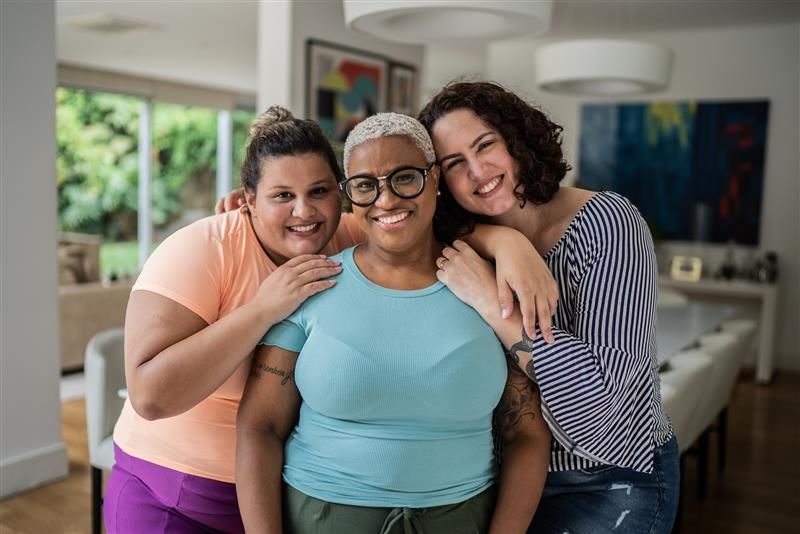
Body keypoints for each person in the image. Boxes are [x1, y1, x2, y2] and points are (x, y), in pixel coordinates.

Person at [236, 113, 551, 533]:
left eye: (405, 178)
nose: (385, 201)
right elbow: (260, 427)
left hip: (460, 519)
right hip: (321, 517)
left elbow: (527, 435)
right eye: (366, 186)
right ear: (351, 195)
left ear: (435, 178)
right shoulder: (308, 285)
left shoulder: (486, 287)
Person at [418, 81, 679, 533]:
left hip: (609, 475)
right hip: (505, 476)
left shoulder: (610, 227)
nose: (478, 172)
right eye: (454, 164)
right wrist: (503, 239)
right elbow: (370, 223)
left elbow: (599, 407)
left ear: (517, 141)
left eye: (486, 145)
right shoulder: (462, 243)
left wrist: (490, 302)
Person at [104, 107, 364, 533]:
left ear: (340, 192)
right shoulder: (202, 249)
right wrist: (263, 309)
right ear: (248, 200)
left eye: (319, 191)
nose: (304, 211)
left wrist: (508, 245)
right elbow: (149, 396)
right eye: (282, 195)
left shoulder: (347, 237)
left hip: (282, 496)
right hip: (173, 498)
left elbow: (428, 230)